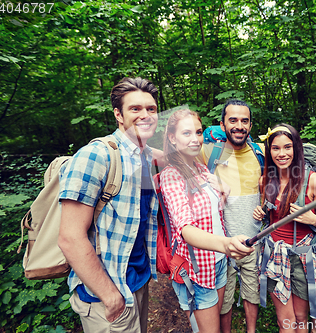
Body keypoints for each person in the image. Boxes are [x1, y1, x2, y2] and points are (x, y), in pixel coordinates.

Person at [58, 77, 160, 333]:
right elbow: (70, 237)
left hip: (137, 281)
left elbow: (182, 157)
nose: (145, 115)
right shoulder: (96, 156)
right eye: (135, 109)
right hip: (106, 293)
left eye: (151, 109)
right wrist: (109, 295)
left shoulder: (145, 157)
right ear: (119, 115)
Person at [160, 109, 254, 333]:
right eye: (186, 133)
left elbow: (212, 213)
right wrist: (226, 243)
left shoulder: (201, 168)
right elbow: (186, 229)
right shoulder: (171, 175)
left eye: (199, 132)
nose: (195, 139)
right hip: (196, 269)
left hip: (219, 263)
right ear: (172, 138)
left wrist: (223, 189)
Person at [252, 123, 316, 333]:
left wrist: (312, 219)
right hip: (276, 255)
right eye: (276, 148)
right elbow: (270, 216)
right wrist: (260, 214)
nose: (282, 153)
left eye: (287, 147)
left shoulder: (314, 182)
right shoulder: (266, 180)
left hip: (303, 256)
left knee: (300, 317)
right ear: (269, 151)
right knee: (285, 321)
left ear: (296, 148)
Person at [200, 99, 262, 333]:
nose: (239, 125)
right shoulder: (208, 152)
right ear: (222, 124)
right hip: (219, 243)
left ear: (251, 125)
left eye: (244, 121)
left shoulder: (260, 153)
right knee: (222, 297)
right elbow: (179, 169)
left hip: (252, 239)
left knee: (251, 292)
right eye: (233, 120)